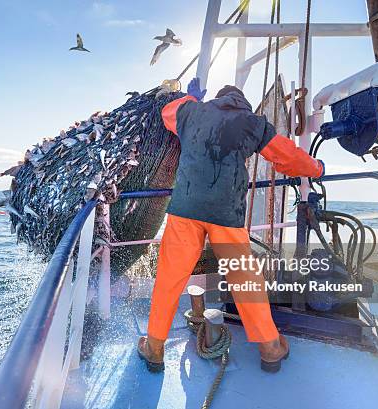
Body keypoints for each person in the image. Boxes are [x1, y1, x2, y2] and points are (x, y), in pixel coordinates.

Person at [137, 78, 325, 373]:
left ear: (217, 100)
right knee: (244, 281)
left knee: (170, 280)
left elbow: (167, 112)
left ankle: (155, 348)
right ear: (243, 104)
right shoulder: (253, 123)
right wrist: (317, 168)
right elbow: (287, 157)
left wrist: (190, 98)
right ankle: (270, 348)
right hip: (227, 214)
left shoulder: (192, 112)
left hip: (185, 210)